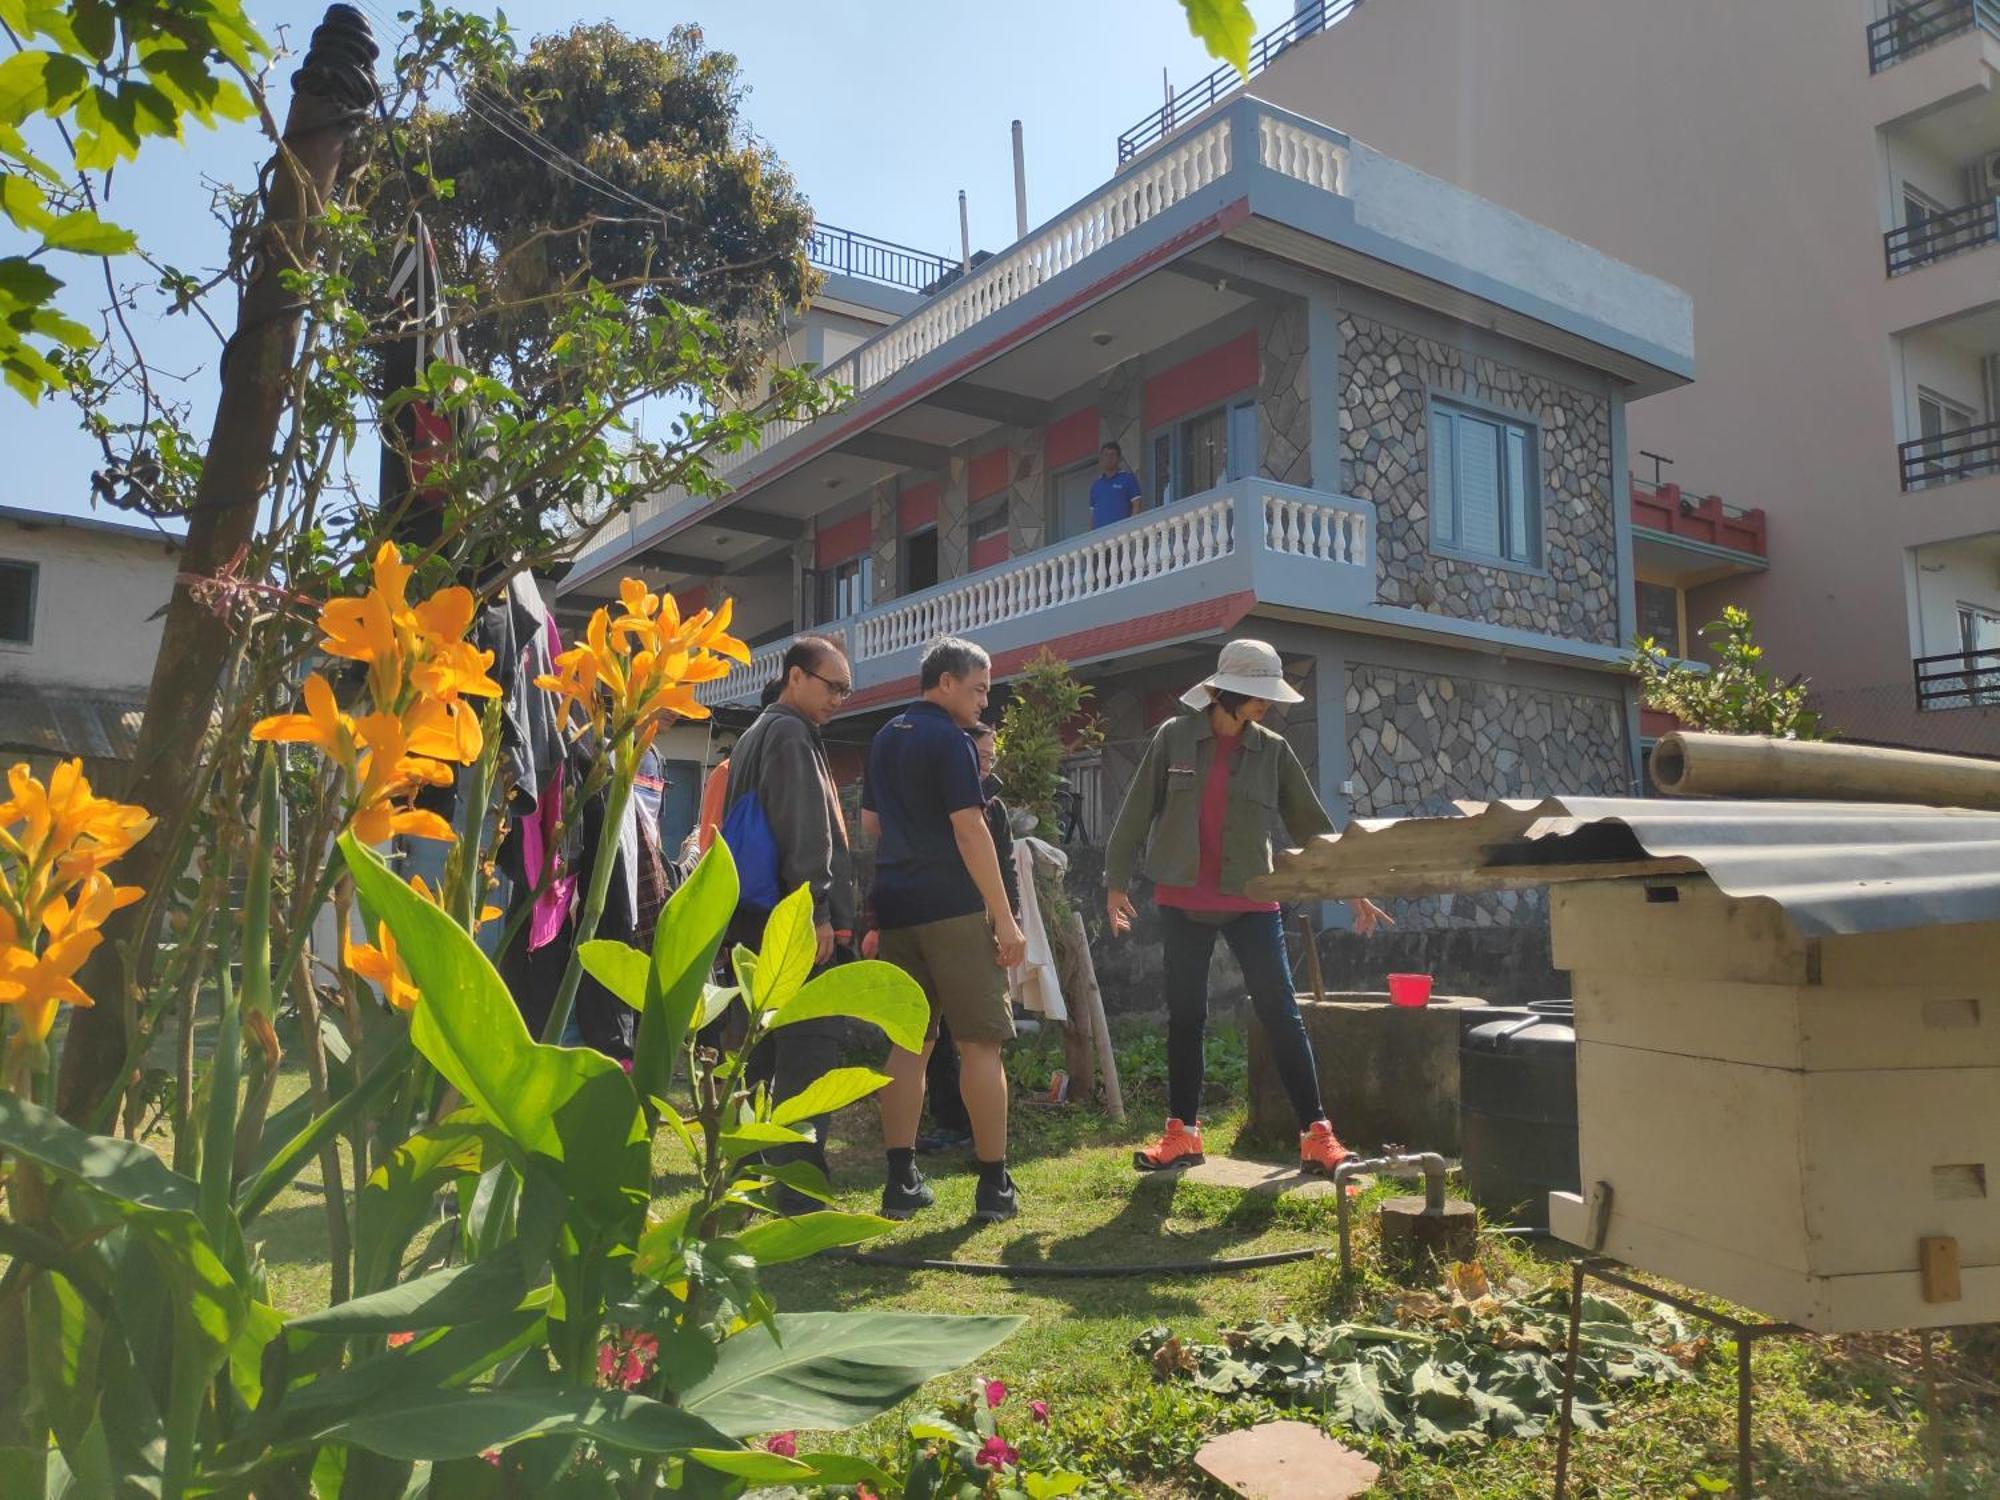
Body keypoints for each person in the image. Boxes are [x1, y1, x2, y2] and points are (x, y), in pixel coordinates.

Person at [1103, 639, 1391, 1176]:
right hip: (1182, 899)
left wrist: (1352, 885)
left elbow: (1311, 824)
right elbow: (1137, 808)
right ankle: (1182, 1134)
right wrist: (1115, 882)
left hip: (1251, 900)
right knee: (1186, 1017)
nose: (1267, 705)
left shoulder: (1273, 749)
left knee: (1281, 1013)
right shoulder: (1175, 737)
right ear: (1228, 692)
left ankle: (1317, 1135)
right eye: (1258, 696)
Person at [862, 638, 1029, 1222]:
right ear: (947, 683)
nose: (985, 701)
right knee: (980, 1042)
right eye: (979, 688)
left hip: (897, 903)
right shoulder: (952, 741)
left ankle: (900, 1181)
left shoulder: (885, 737)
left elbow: (871, 824)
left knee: (909, 1043)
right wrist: (1005, 919)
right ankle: (993, 1186)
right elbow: (970, 830)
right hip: (954, 907)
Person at [721, 637, 857, 1204]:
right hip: (790, 921)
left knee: (760, 1055)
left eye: (847, 691)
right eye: (833, 686)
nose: (840, 700)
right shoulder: (791, 734)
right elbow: (804, 829)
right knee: (810, 1057)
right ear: (796, 677)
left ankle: (741, 1181)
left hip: (753, 917)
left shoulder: (757, 732)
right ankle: (800, 1194)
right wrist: (818, 911)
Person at [918, 722, 1017, 1154]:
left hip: (982, 926)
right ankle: (951, 1121)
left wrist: (1008, 921)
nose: (985, 764)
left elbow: (1007, 869)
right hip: (939, 922)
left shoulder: (993, 808)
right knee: (930, 1034)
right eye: (979, 755)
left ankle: (985, 1132)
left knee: (981, 1035)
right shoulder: (935, 802)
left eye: (991, 756)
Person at [1088, 441, 1143, 529]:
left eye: (1112, 455)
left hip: (1121, 535)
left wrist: (1130, 530)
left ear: (1119, 458)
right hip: (1100, 538)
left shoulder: (1127, 479)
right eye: (1105, 455)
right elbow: (1092, 515)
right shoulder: (1096, 485)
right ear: (1101, 458)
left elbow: (1137, 505)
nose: (1109, 458)